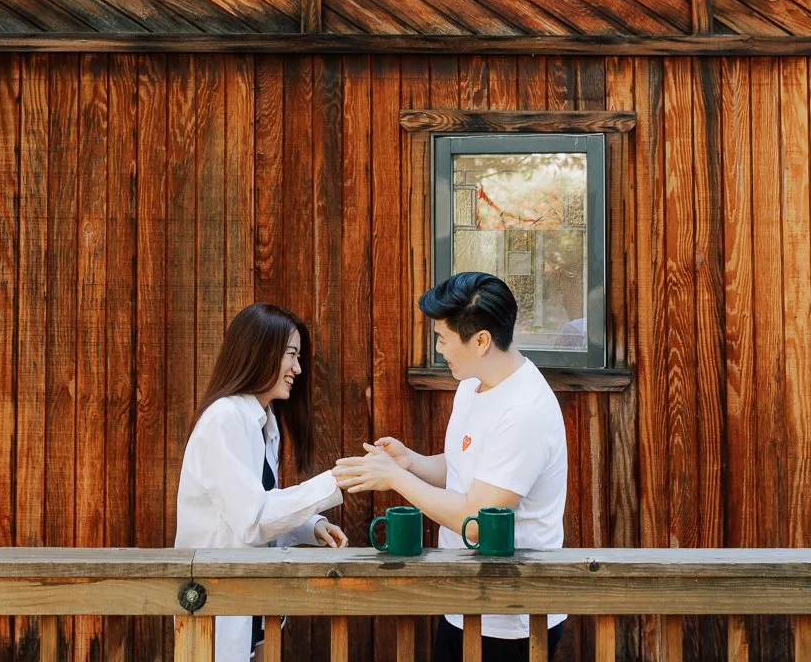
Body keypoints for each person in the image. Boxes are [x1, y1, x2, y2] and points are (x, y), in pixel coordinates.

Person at [334, 272, 567, 662]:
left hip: (511, 616)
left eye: (442, 338)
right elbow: (467, 470)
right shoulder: (471, 386)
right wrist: (412, 462)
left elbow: (478, 520)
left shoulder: (525, 412)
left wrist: (397, 478)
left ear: (481, 340)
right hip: (463, 598)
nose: (439, 348)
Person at [175, 302, 349, 662]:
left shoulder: (263, 422)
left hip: (251, 602)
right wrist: (335, 481)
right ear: (260, 352)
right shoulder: (224, 420)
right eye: (291, 355)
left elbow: (257, 509)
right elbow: (253, 520)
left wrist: (309, 528)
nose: (298, 369)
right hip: (216, 603)